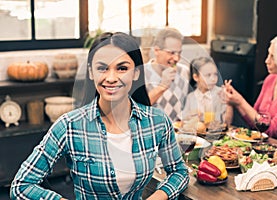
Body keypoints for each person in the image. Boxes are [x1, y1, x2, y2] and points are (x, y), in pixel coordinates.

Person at [10, 32, 189, 199]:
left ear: (136, 73)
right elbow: (21, 185)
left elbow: (179, 172)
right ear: (90, 72)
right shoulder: (69, 125)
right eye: (102, 68)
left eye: (122, 68)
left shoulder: (157, 122)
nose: (111, 78)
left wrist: (158, 197)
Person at [224, 33, 277, 142]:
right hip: (264, 145)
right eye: (268, 55)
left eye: (273, 57)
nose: (267, 61)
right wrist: (235, 101)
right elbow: (255, 122)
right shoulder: (271, 79)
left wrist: (240, 101)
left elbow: (271, 131)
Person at [144, 27, 190, 121]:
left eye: (179, 53)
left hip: (178, 132)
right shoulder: (141, 73)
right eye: (171, 53)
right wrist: (162, 86)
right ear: (156, 50)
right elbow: (137, 109)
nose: (177, 58)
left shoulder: (184, 71)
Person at [182, 57, 233, 126]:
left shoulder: (220, 94)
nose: (213, 79)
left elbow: (227, 122)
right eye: (208, 75)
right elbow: (184, 120)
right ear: (196, 77)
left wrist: (229, 104)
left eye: (215, 74)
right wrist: (191, 117)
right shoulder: (191, 97)